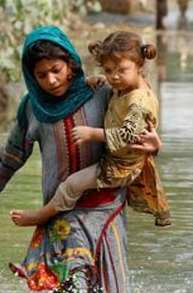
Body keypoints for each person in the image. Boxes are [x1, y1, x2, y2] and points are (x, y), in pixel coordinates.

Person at [0, 26, 162, 293]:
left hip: (108, 208)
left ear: (71, 64)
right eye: (41, 75)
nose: (51, 81)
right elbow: (10, 156)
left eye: (56, 71)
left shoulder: (102, 92)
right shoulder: (33, 109)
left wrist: (155, 144)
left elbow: (137, 126)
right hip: (62, 215)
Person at [10, 31, 171, 228]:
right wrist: (99, 78)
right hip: (118, 160)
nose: (114, 77)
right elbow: (9, 155)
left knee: (71, 185)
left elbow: (127, 135)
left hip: (120, 166)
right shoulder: (120, 88)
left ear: (139, 65)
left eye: (121, 70)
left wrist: (91, 133)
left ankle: (42, 215)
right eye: (109, 70)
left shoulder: (139, 102)